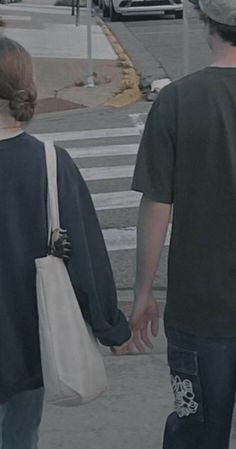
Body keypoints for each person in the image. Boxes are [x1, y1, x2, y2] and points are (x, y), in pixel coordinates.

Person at [0, 36, 131, 449]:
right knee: (21, 436)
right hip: (25, 341)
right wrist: (109, 325)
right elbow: (86, 256)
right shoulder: (50, 163)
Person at [130, 0, 236, 448]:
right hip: (203, 312)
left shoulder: (177, 99)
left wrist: (142, 293)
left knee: (197, 432)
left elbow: (157, 206)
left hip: (200, 308)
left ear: (205, 21)